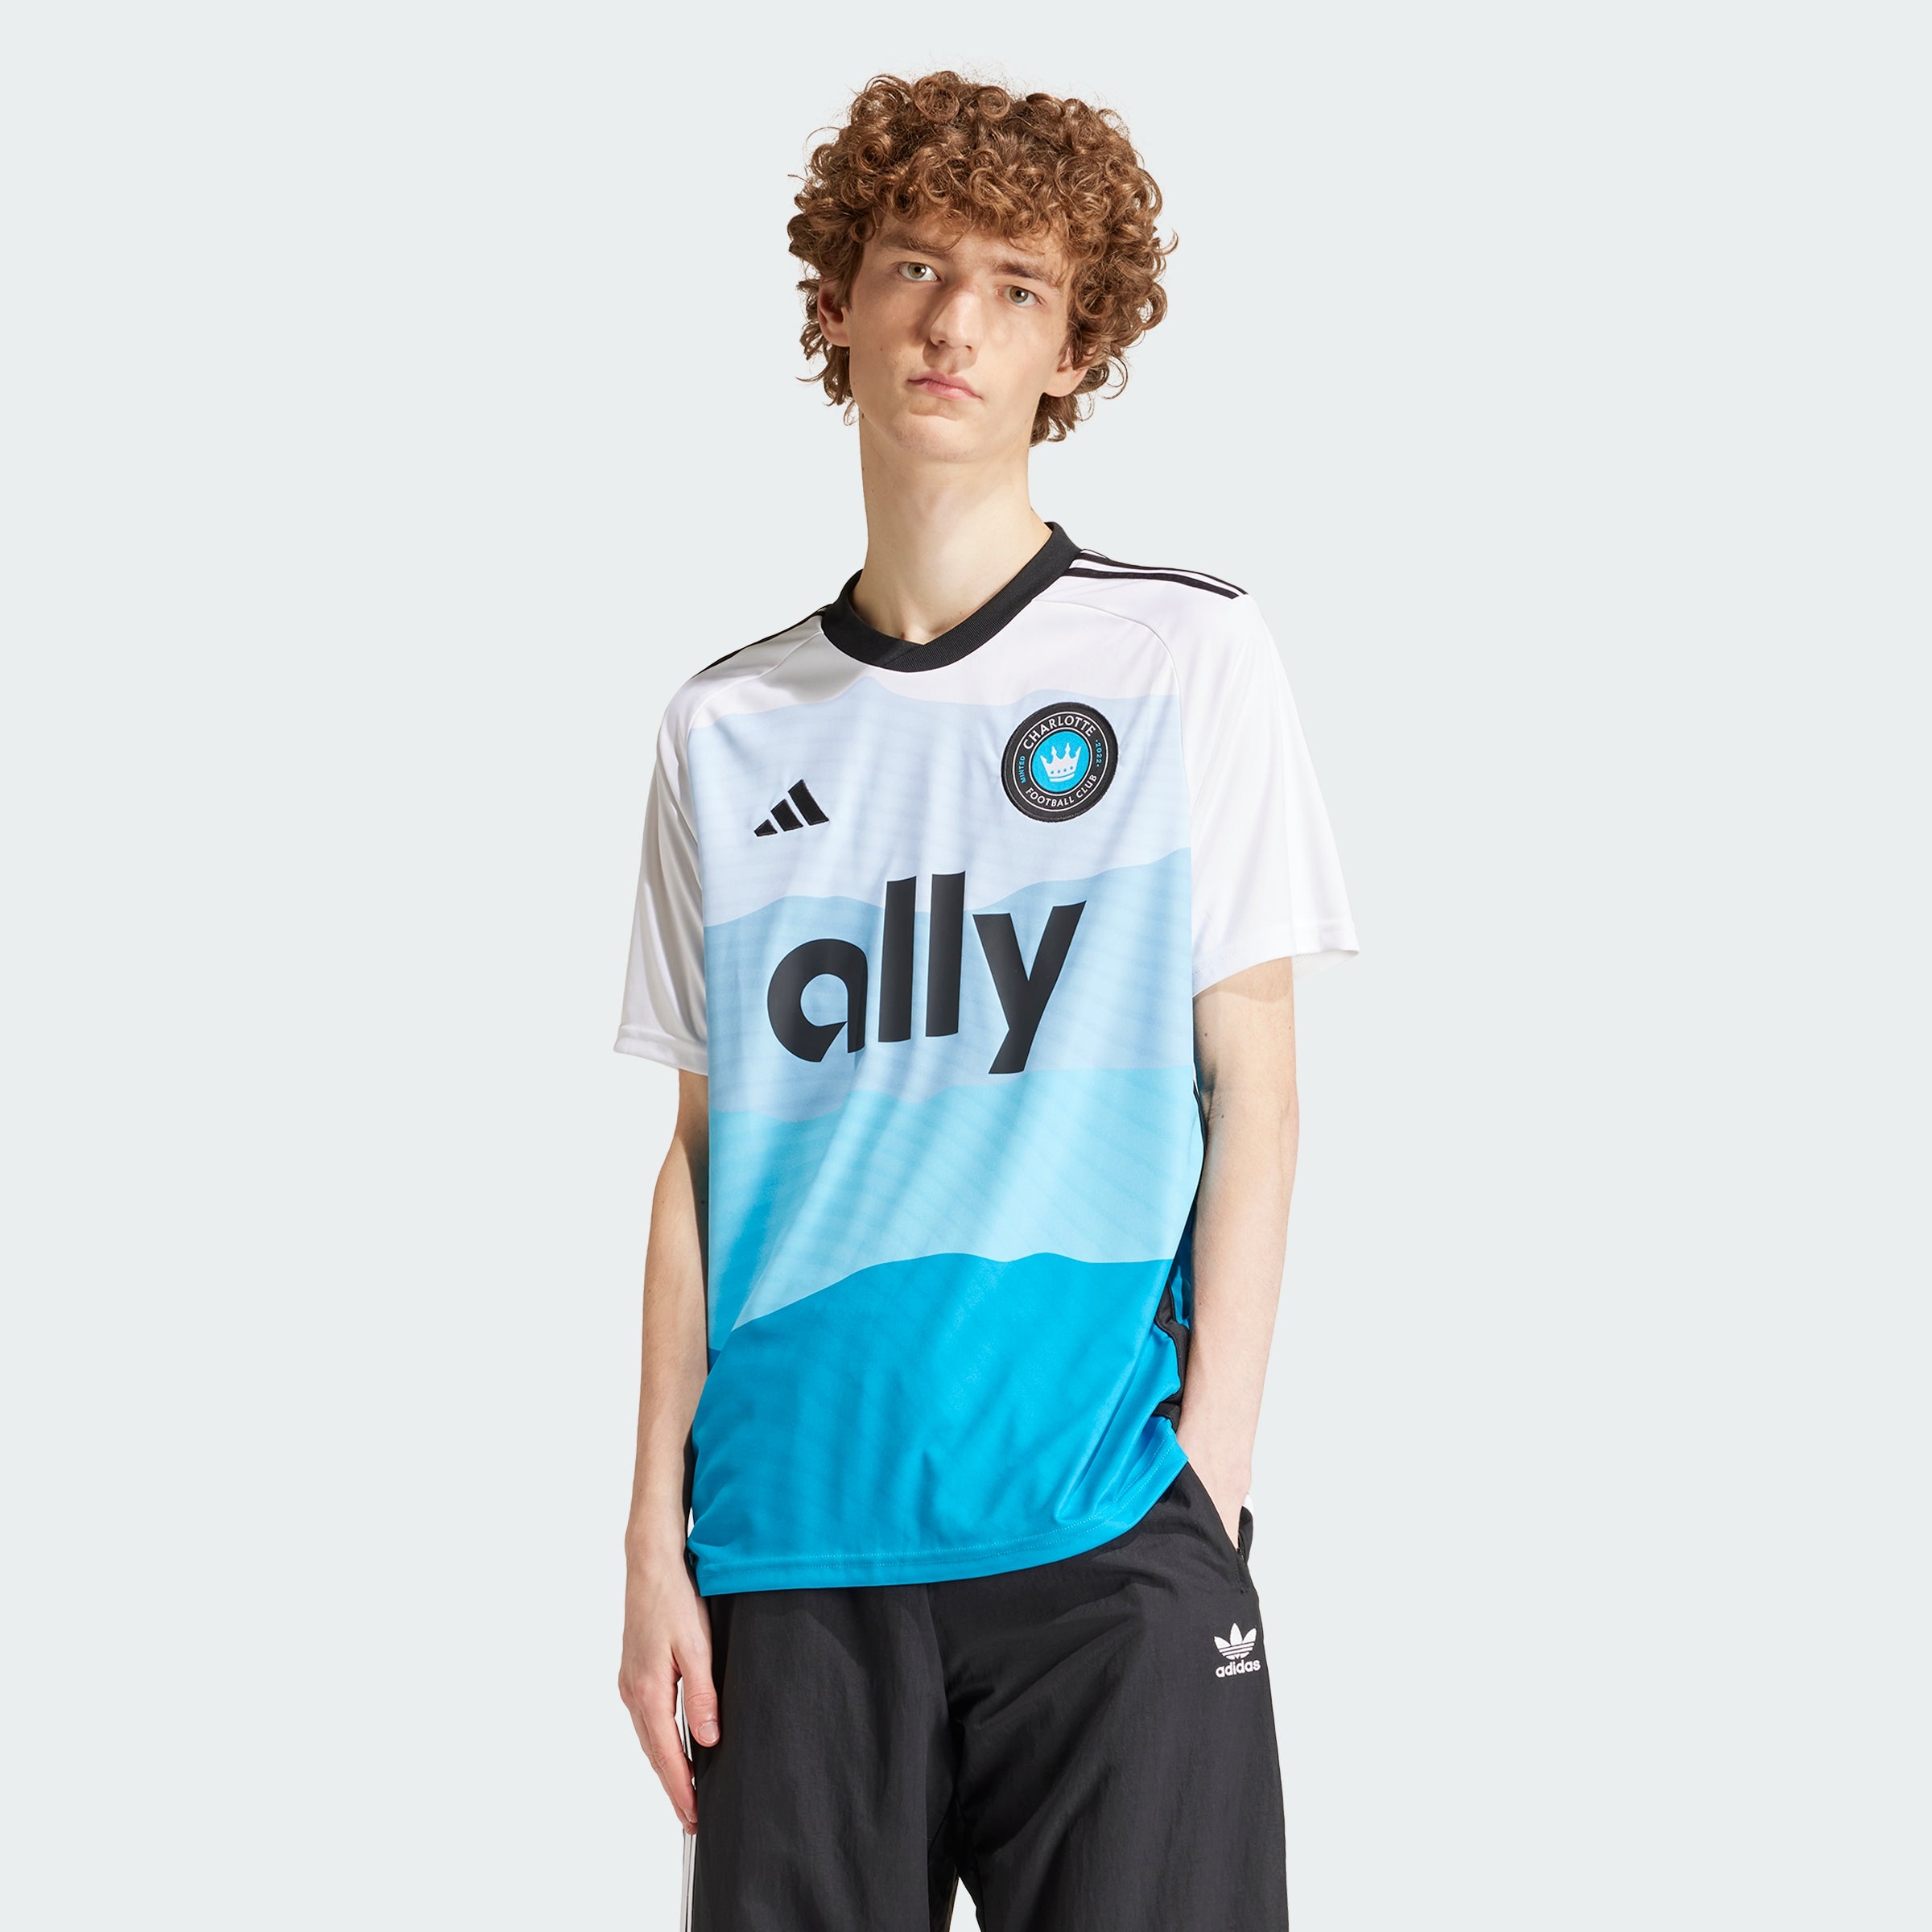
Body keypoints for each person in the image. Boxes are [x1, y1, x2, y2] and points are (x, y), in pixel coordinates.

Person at [613, 71, 1356, 1931]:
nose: (956, 321)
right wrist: (649, 1537)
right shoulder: (725, 726)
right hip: (789, 1542)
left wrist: (1211, 1490)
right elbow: (700, 1156)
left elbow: (1256, 1092)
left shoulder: (1185, 655)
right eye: (916, 267)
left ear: (1072, 347)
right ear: (837, 305)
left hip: (1103, 1528)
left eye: (1017, 286)